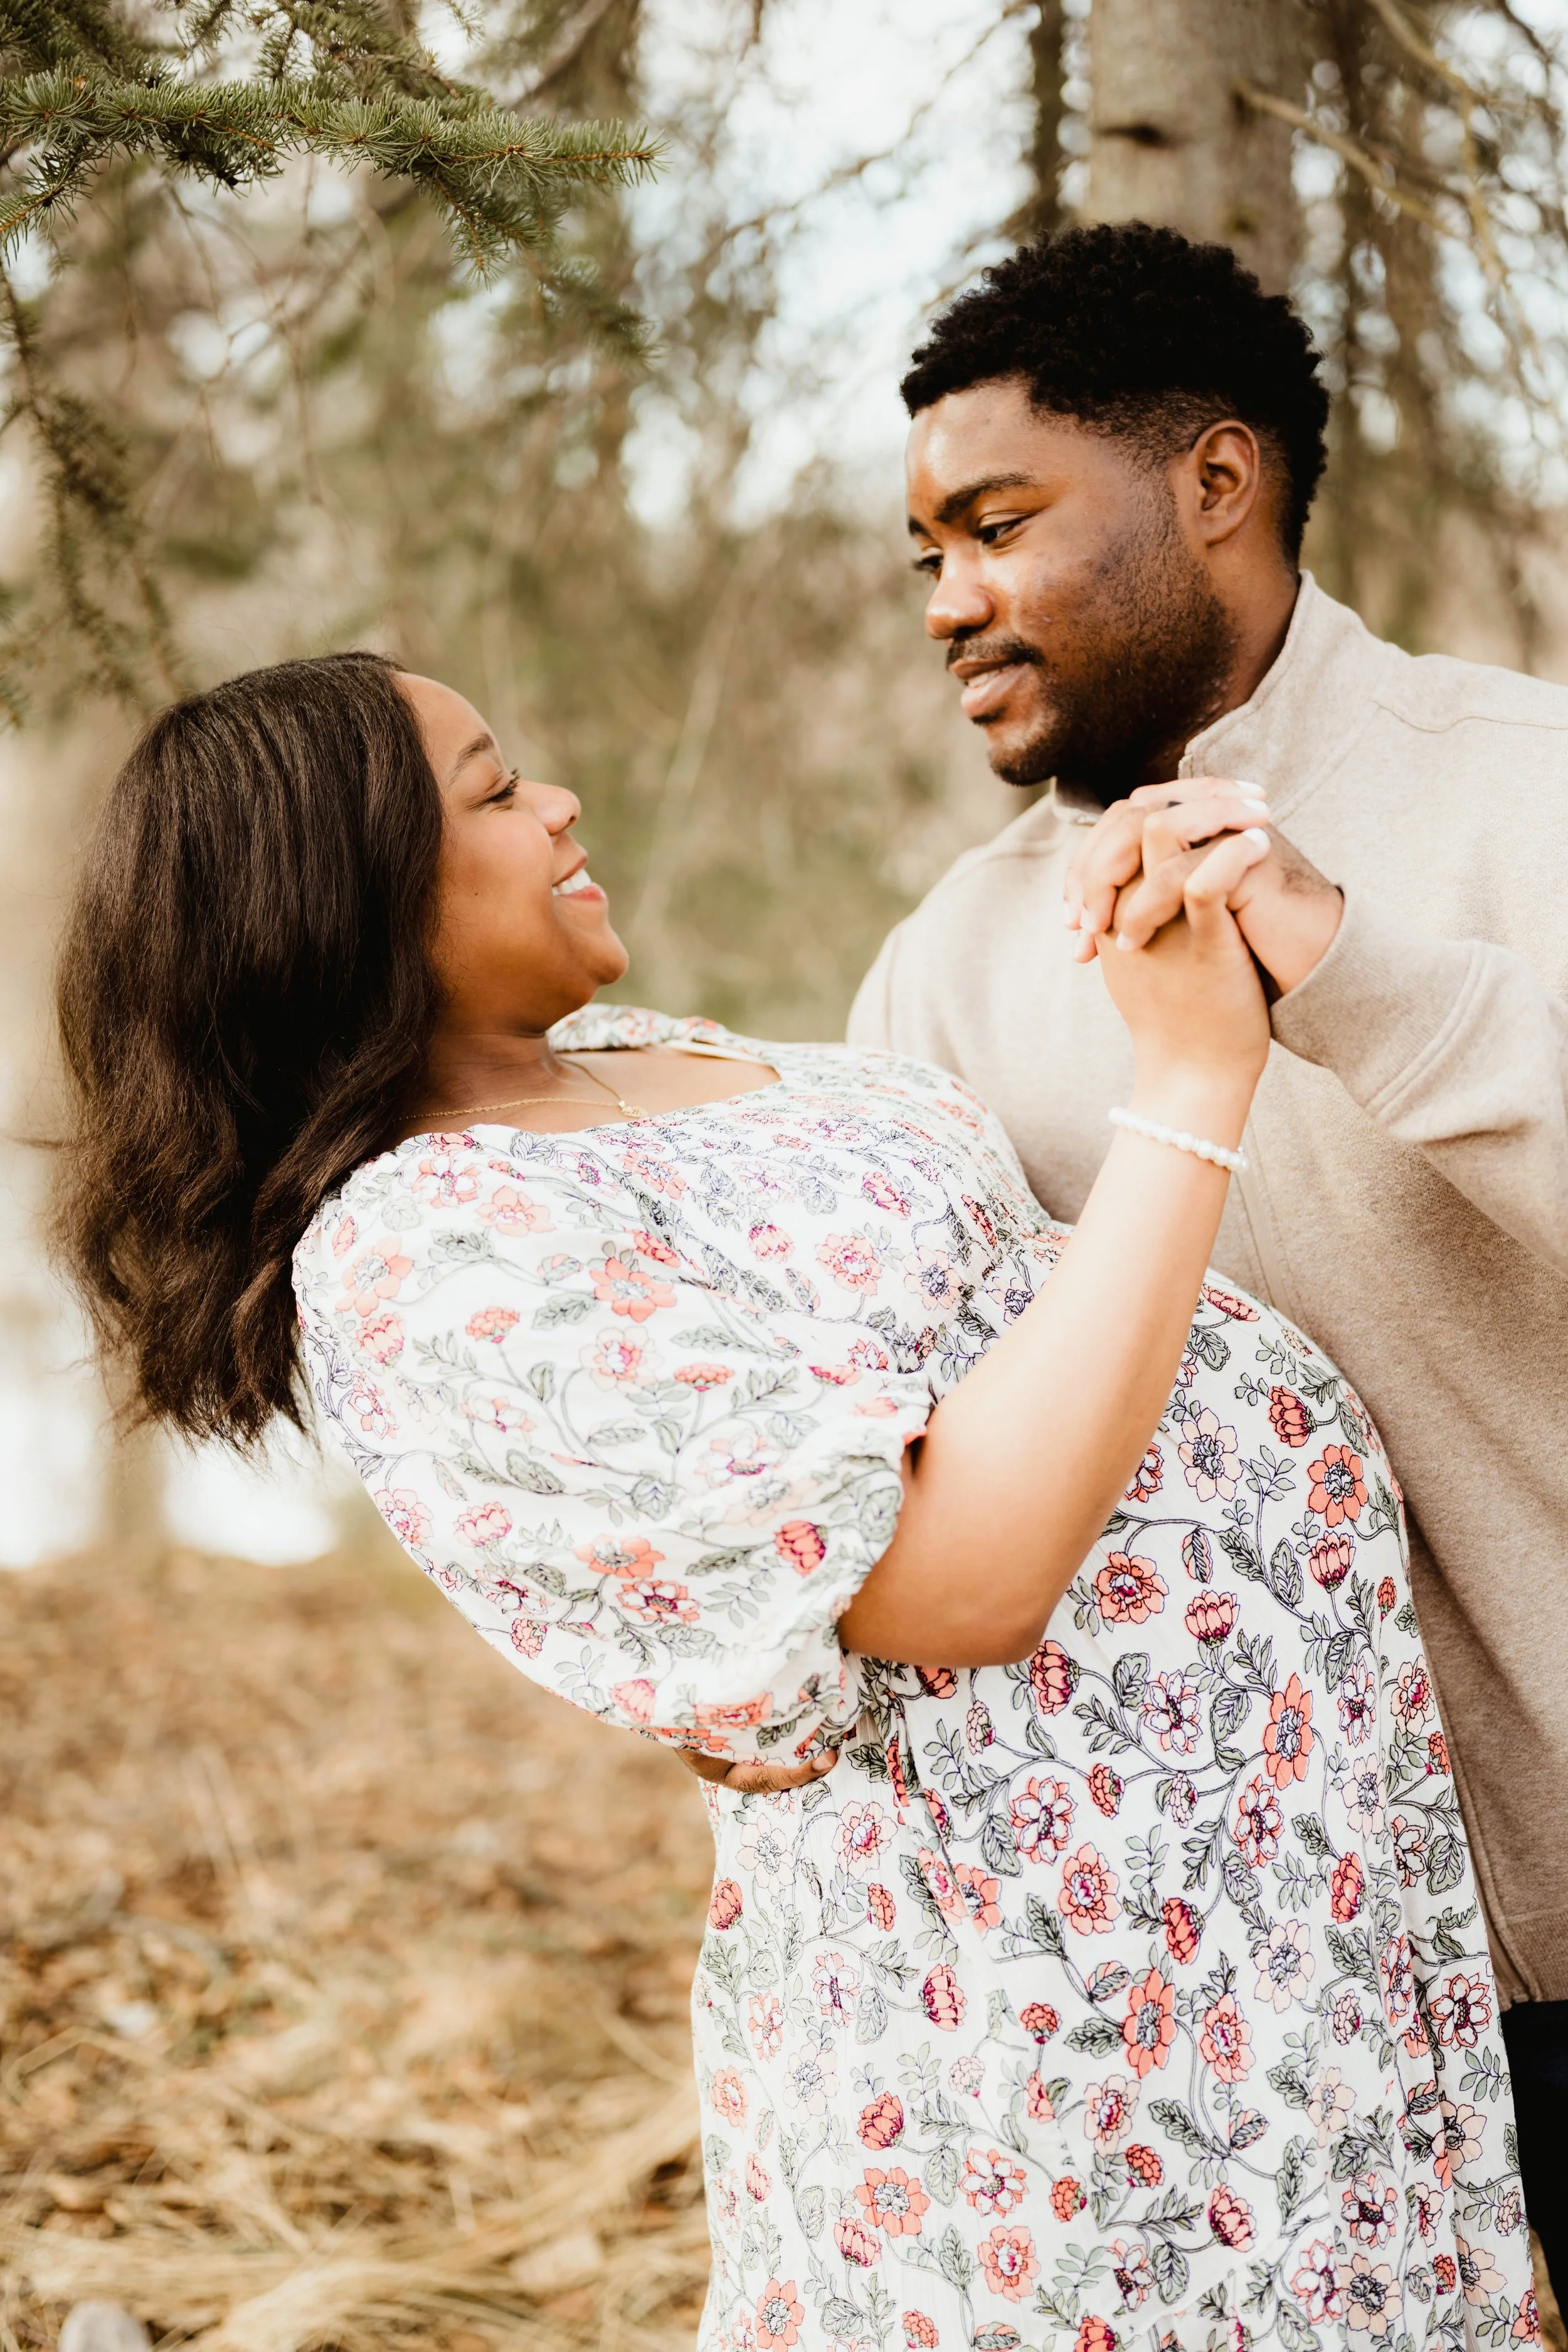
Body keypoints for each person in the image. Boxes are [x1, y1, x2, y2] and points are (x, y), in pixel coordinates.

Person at [54, 652, 1529, 2349]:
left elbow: (992, 1303)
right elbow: (956, 1581)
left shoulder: (629, 1053)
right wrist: (1190, 1081)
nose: (558, 802)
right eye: (491, 789)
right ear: (342, 895)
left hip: (1263, 1918)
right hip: (1052, 2025)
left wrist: (1151, 951)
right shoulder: (422, 1255)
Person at [846, 221, 1568, 2291]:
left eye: (996, 523)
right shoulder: (950, 969)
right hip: (1278, 2027)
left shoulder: (1522, 795)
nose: (949, 601)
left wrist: (1360, 976)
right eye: (924, 553)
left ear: (1215, 484)